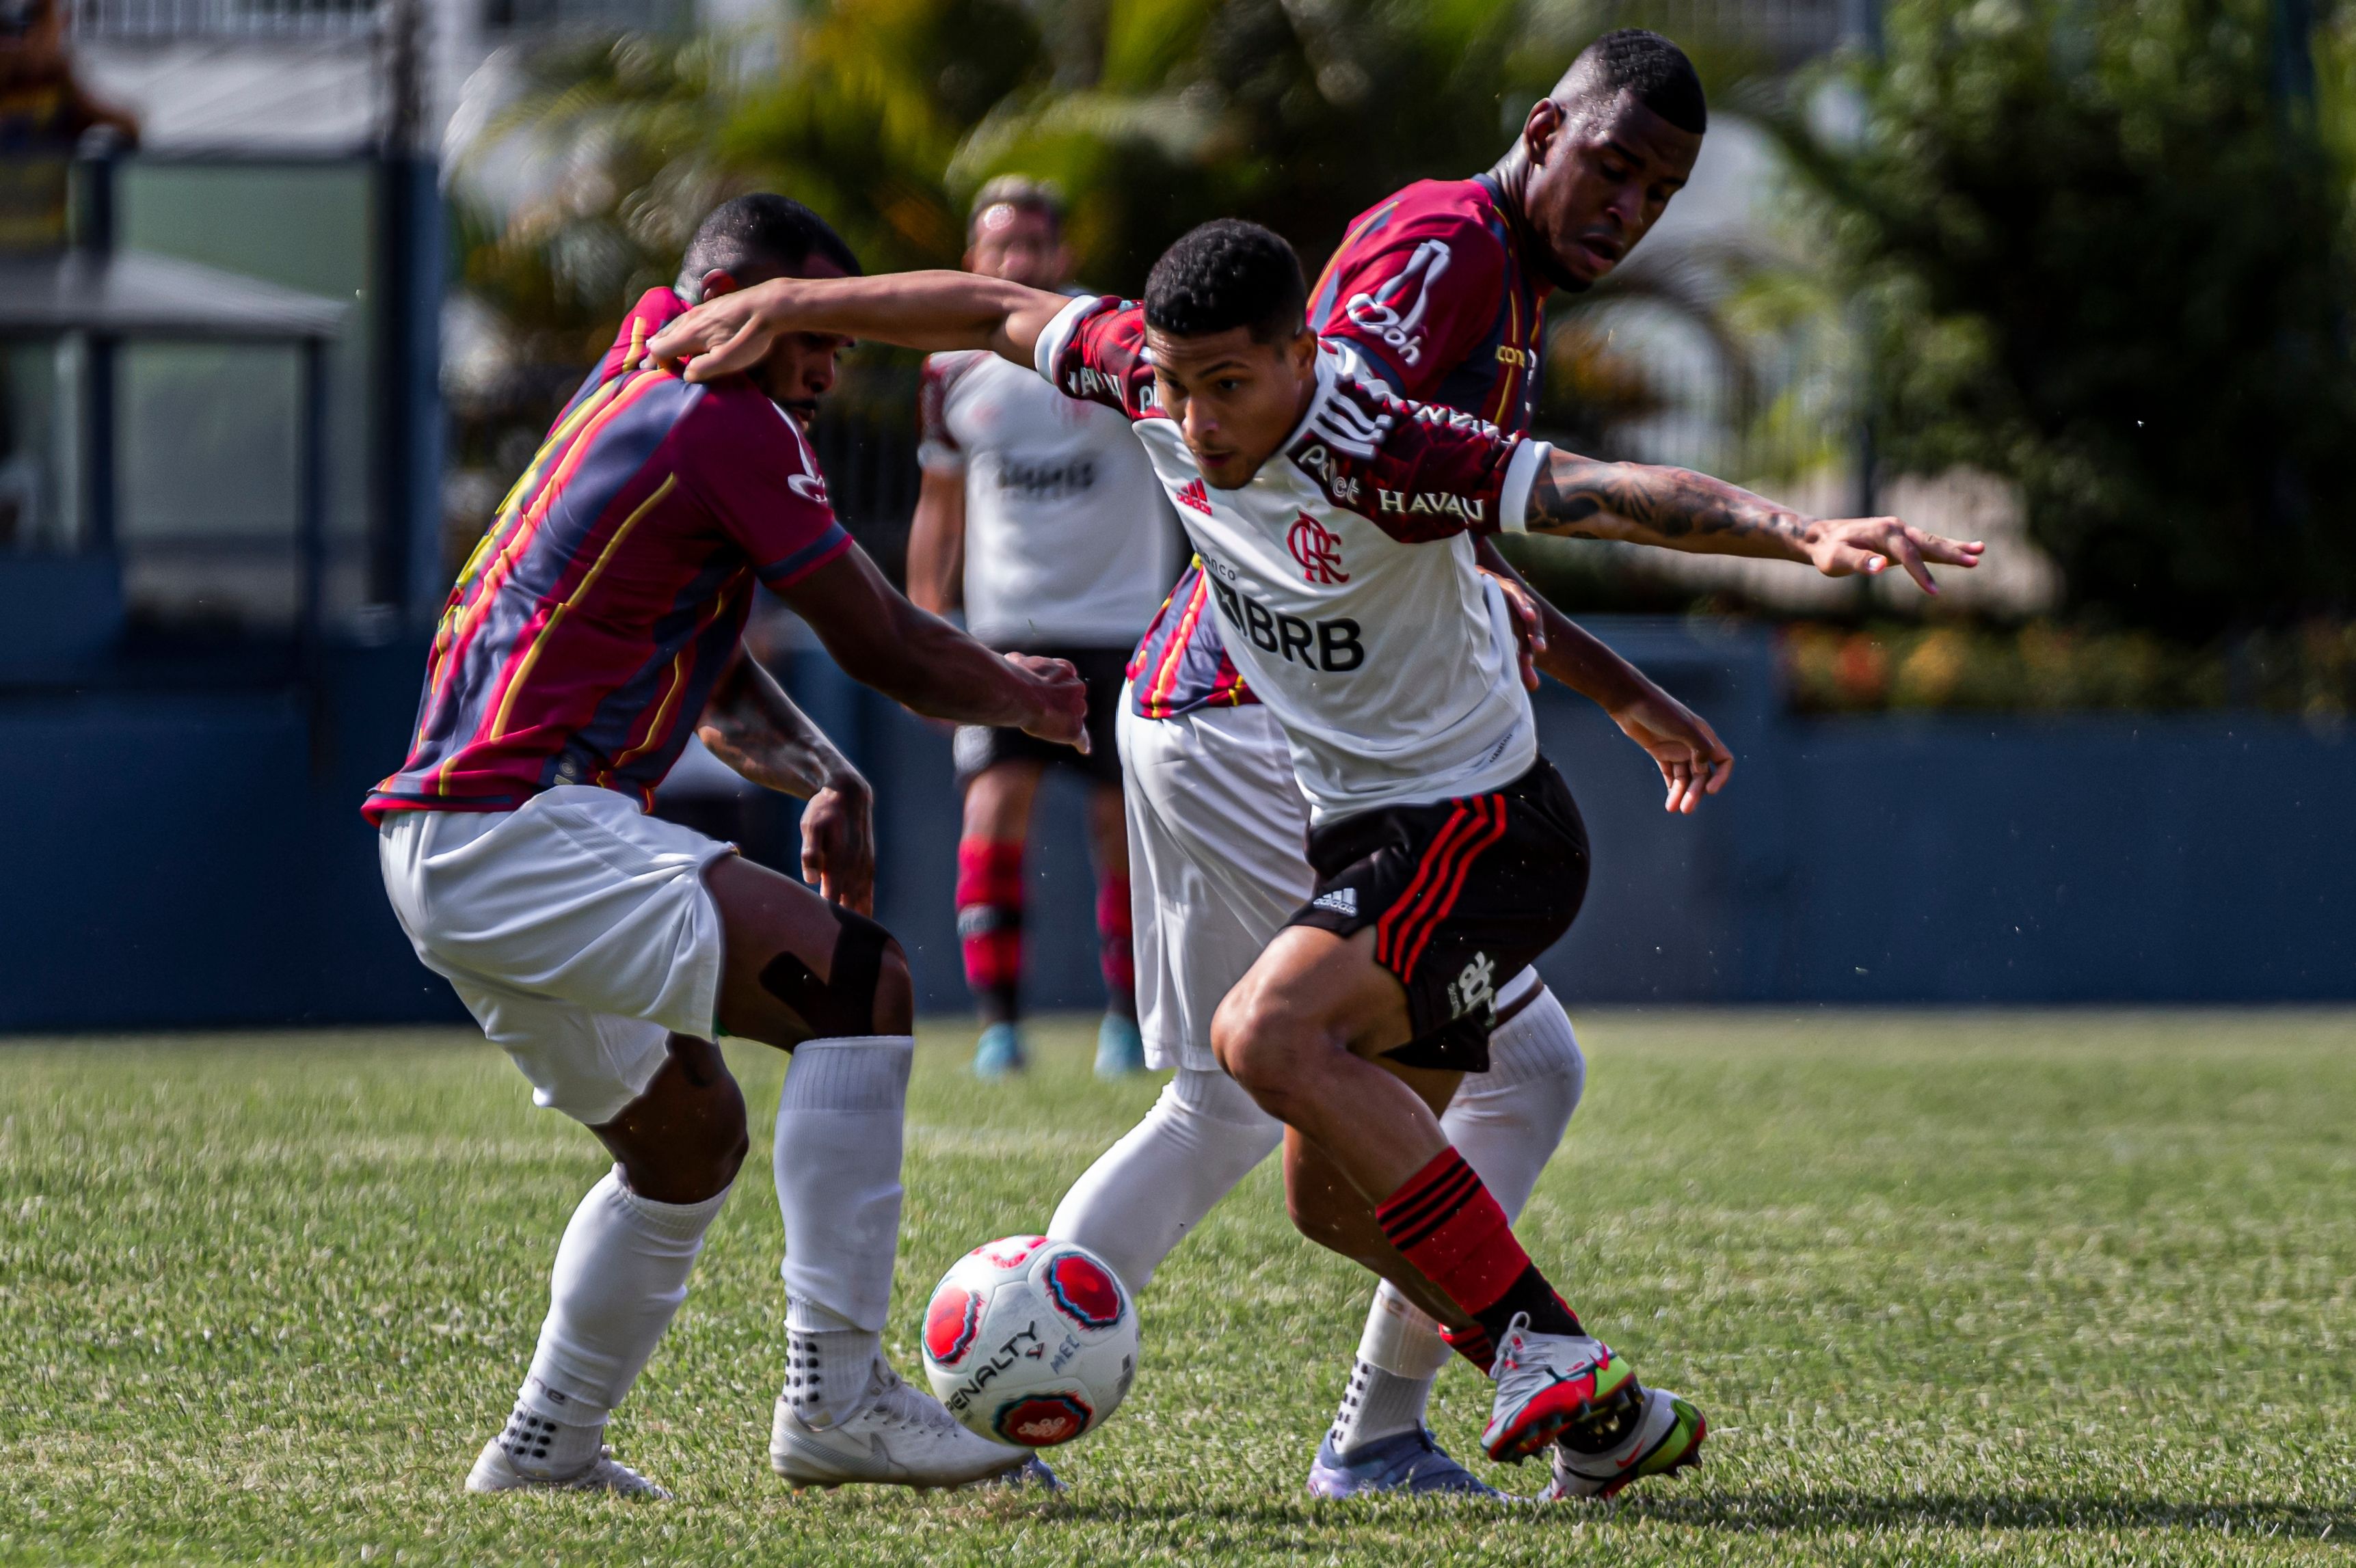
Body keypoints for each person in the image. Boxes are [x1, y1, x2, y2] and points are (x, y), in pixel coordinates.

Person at [645, 224, 1979, 1496]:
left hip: (1483, 835)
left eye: (1229, 384)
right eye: (1176, 385)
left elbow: (1596, 489)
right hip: (1371, 836)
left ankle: (1539, 1349)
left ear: (1301, 352)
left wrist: (1800, 533)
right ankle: (1603, 1420)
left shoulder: (1382, 443)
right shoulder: (1145, 379)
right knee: (1336, 1202)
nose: (1198, 420)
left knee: (1260, 1037)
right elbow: (989, 310)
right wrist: (790, 306)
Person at [1056, 29, 1752, 1502]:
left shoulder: (1501, 272)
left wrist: (1618, 688)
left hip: (1239, 707)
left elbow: (1428, 518)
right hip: (1257, 708)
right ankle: (1369, 1416)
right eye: (1613, 167)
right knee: (1260, 1081)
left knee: (1400, 1078)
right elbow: (1340, 491)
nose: (1629, 209)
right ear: (1544, 124)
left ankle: (1412, 1415)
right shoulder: (1445, 251)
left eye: (1660, 191)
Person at [364, 194, 1088, 1498]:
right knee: (861, 986)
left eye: (835, 337)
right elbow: (887, 643)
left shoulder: (640, 363)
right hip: (522, 824)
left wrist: (826, 769)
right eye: (804, 325)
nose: (821, 361)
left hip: (451, 844)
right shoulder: (727, 414)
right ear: (730, 299)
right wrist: (1026, 694)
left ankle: (545, 1450)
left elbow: (701, 663)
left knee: (686, 1137)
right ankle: (840, 1396)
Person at [906, 176, 1180, 1078]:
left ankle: (1125, 1023)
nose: (1018, 261)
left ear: (1060, 257)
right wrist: (922, 630)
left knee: (1121, 828)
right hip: (1003, 633)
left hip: (1123, 626)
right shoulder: (948, 372)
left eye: (1033, 244)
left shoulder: (1112, 347)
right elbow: (939, 508)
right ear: (972, 261)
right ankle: (999, 1029)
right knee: (992, 813)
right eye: (1000, 246)